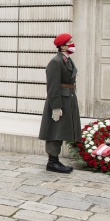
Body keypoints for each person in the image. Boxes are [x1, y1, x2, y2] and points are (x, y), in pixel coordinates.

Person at [37, 33, 79, 174]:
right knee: (55, 131)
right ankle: (52, 161)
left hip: (67, 99)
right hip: (59, 100)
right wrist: (55, 106)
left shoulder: (67, 60)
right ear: (62, 46)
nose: (73, 45)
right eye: (70, 42)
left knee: (60, 131)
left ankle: (55, 160)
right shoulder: (56, 61)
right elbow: (53, 86)